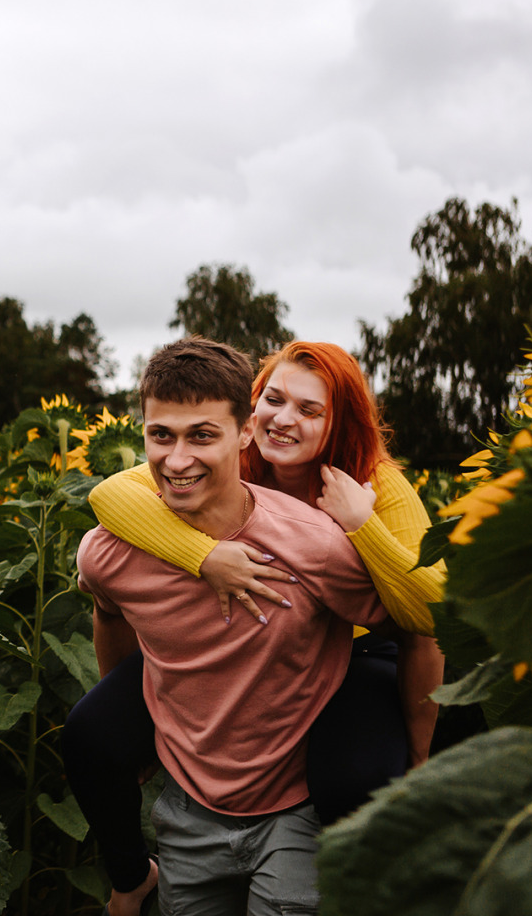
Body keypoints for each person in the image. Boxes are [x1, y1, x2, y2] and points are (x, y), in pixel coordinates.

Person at [68, 339, 418, 916]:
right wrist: (138, 714)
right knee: (88, 734)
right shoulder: (112, 548)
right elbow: (108, 603)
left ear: (242, 433)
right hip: (189, 810)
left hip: (294, 800)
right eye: (162, 436)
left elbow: (418, 623)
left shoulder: (332, 528)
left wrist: (424, 758)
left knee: (353, 778)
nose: (178, 459)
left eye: (203, 435)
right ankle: (130, 877)